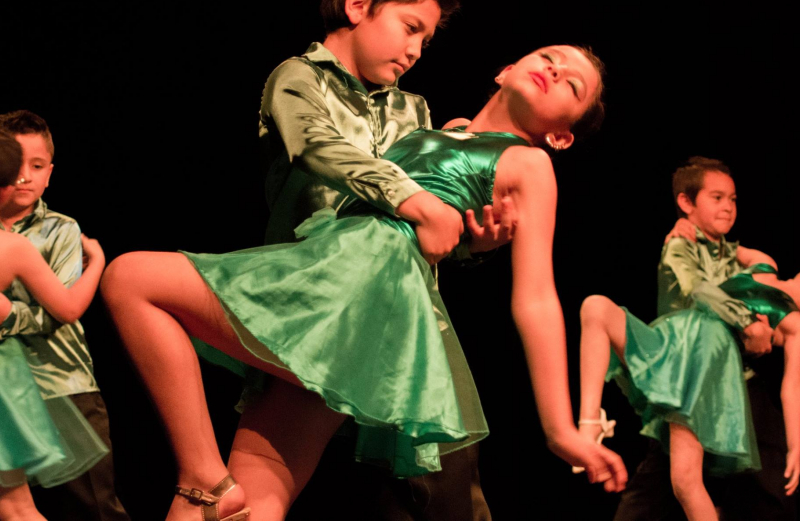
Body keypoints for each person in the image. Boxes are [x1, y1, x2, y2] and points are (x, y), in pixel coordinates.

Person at [101, 43, 626, 521]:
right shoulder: (438, 127)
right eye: (548, 59)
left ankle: (200, 472)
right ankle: (205, 487)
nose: (553, 72)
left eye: (571, 85)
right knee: (255, 499)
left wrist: (561, 427)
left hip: (356, 285)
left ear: (561, 136)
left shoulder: (530, 163)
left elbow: (536, 296)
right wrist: (467, 242)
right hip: (347, 298)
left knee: (131, 277)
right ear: (506, 68)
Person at [254, 0, 509, 521]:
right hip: (312, 314)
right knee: (289, 487)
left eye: (428, 40)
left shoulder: (413, 112)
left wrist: (472, 240)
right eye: (410, 27)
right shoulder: (297, 79)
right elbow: (320, 148)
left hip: (399, 329)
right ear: (358, 3)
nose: (417, 50)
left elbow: (419, 227)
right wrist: (413, 193)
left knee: (444, 491)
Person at [611, 157, 791, 521]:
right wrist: (747, 323)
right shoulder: (679, 247)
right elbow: (699, 289)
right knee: (662, 483)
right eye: (717, 197)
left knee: (762, 480)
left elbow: (763, 262)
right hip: (688, 379)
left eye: (733, 199)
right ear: (686, 202)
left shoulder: (736, 258)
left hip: (735, 382)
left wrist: (730, 249)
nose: (728, 206)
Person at [577, 257, 800, 521]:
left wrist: (796, 443)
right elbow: (715, 237)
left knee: (684, 480)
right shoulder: (764, 264)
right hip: (676, 333)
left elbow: (792, 388)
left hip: (707, 353)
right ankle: (589, 424)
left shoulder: (796, 323)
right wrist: (684, 227)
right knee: (595, 307)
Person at [0, 110, 129, 520]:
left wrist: (8, 317)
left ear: (50, 173)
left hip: (61, 383)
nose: (24, 176)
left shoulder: (60, 230)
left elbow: (63, 311)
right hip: (9, 393)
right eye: (14, 165)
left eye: (36, 166)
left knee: (92, 505)